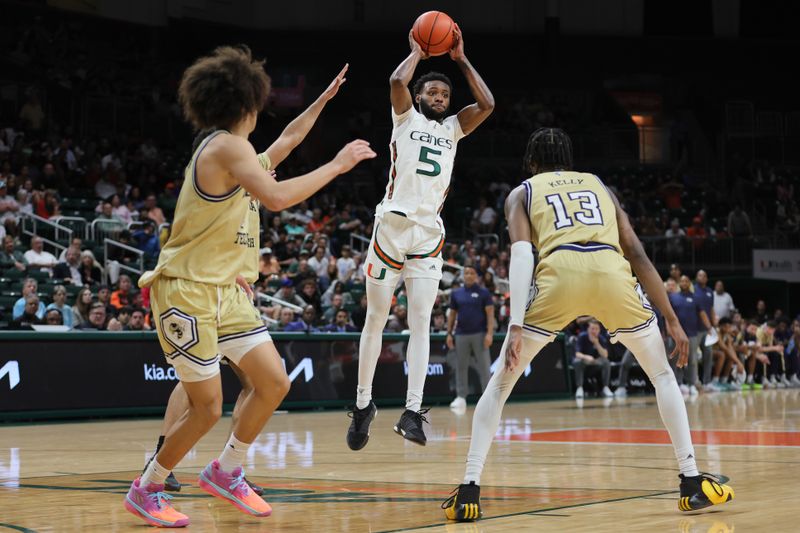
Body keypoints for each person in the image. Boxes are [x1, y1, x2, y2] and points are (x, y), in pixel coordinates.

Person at [126, 45, 374, 528]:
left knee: (274, 382)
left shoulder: (237, 151)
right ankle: (148, 486)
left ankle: (226, 470)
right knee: (206, 408)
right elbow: (279, 197)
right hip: (187, 290)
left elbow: (288, 139)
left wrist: (321, 102)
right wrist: (339, 165)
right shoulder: (226, 148)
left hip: (225, 290)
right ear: (249, 101)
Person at [442, 128, 733, 523]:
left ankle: (470, 490)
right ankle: (692, 481)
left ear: (531, 161)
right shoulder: (600, 186)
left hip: (558, 275)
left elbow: (522, 254)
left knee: (501, 384)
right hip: (609, 271)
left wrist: (514, 323)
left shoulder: (522, 192)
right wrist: (672, 320)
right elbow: (636, 251)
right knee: (663, 374)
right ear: (570, 159)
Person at [348, 25, 494, 450]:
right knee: (375, 319)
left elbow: (487, 103)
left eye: (444, 96)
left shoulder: (453, 128)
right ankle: (362, 406)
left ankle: (413, 412)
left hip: (428, 233)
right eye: (433, 93)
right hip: (391, 227)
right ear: (419, 97)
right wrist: (418, 50)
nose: (440, 99)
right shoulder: (404, 116)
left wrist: (461, 59)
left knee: (421, 324)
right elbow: (396, 81)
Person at [445, 265, 493, 410]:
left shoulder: (484, 293)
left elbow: (490, 314)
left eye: (472, 273)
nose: (469, 275)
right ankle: (461, 397)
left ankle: (488, 397)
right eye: (466, 273)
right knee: (461, 367)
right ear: (462, 276)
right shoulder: (456, 293)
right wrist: (449, 333)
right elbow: (452, 315)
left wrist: (490, 333)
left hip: (480, 334)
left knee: (484, 366)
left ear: (477, 276)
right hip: (460, 334)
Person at [668, 275, 712, 396]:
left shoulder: (695, 298)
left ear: (689, 284)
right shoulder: (673, 297)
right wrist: (669, 331)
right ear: (679, 284)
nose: (683, 283)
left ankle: (692, 384)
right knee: (676, 359)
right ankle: (678, 383)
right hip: (676, 335)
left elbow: (702, 314)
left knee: (692, 360)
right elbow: (667, 315)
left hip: (692, 334)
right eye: (681, 281)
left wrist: (709, 327)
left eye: (686, 281)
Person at [573, 319, 613, 398]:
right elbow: (577, 354)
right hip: (584, 362)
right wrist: (585, 356)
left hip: (596, 363)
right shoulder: (582, 337)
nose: (594, 331)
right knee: (577, 361)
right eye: (592, 328)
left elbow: (605, 355)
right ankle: (579, 388)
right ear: (588, 329)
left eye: (596, 329)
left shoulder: (601, 338)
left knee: (606, 361)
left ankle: (605, 387)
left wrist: (596, 343)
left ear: (599, 330)